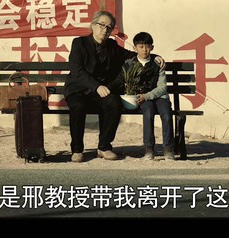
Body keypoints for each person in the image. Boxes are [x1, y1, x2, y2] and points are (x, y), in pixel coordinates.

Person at [64, 11, 163, 163]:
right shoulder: (79, 43)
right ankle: (77, 149)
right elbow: (77, 70)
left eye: (109, 27)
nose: (105, 30)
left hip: (103, 91)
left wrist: (154, 56)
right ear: (93, 25)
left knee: (114, 103)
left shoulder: (111, 45)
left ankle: (104, 147)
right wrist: (96, 86)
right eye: (102, 25)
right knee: (78, 106)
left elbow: (132, 55)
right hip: (79, 89)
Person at [109, 32, 174, 161]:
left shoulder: (158, 64)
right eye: (141, 46)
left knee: (166, 114)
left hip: (159, 97)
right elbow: (121, 80)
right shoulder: (129, 64)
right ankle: (149, 149)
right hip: (143, 100)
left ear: (152, 47)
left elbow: (162, 88)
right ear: (135, 48)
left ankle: (168, 149)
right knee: (148, 112)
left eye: (148, 46)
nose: (144, 50)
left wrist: (146, 96)